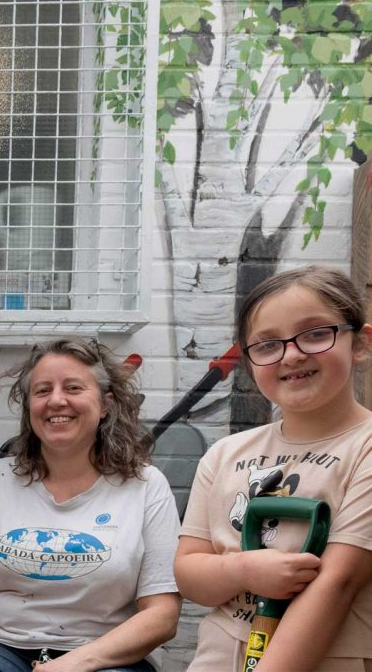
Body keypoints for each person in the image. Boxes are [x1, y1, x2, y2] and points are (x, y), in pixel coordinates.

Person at [0, 338, 181, 672]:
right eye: (42, 390)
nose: (57, 400)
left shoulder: (146, 486)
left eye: (74, 387)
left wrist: (73, 664)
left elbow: (162, 615)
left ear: (105, 404)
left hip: (105, 655)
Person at [176, 266, 372, 671]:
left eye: (317, 333)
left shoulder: (364, 446)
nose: (292, 353)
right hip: (219, 656)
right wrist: (242, 569)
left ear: (360, 343)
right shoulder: (225, 454)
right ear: (249, 363)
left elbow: (338, 584)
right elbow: (189, 573)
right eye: (267, 345)